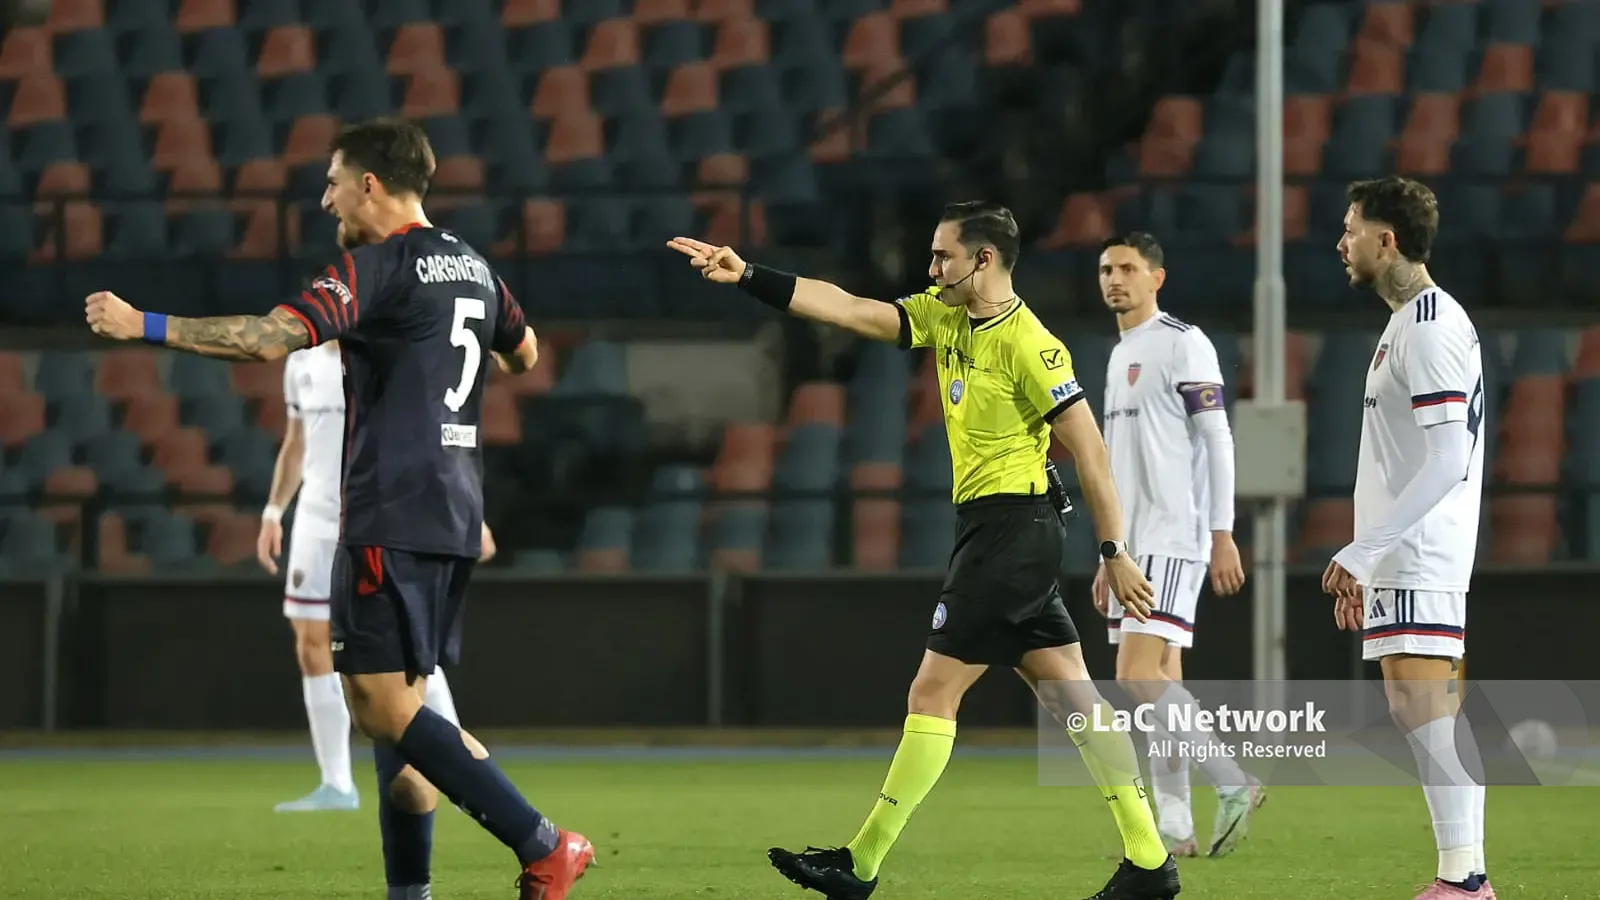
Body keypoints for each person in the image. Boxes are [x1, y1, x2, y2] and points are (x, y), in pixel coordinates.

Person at [86, 117, 594, 900]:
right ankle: (410, 892)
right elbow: (523, 354)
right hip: (453, 510)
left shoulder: (379, 266)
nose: (325, 201)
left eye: (331, 183)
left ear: (369, 184)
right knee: (401, 720)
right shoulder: (473, 265)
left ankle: (544, 842)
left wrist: (142, 324)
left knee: (381, 710)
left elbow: (267, 339)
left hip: (390, 509)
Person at [669, 201, 1179, 900]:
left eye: (943, 256)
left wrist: (1115, 550)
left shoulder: (1032, 345)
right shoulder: (945, 316)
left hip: (1011, 532)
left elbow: (1090, 450)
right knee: (1071, 694)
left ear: (983, 260)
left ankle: (861, 864)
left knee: (933, 692)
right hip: (999, 530)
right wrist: (750, 274)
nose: (931, 268)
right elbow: (850, 309)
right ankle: (1150, 863)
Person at [1323, 176, 1491, 900]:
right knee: (1414, 702)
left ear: (1386, 240)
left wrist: (1366, 551)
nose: (1341, 243)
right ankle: (1463, 875)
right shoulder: (1408, 322)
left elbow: (1449, 457)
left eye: (1351, 229)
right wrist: (1371, 554)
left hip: (1424, 547)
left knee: (1425, 703)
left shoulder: (1428, 325)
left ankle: (1466, 878)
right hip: (1404, 549)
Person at [256, 337, 493, 811]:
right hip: (316, 518)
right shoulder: (300, 361)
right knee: (310, 644)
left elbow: (433, 433)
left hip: (376, 516)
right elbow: (296, 442)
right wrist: (273, 511)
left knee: (408, 649)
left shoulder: (384, 352)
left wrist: (469, 512)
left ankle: (463, 768)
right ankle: (337, 783)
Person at [1093, 233, 1264, 858]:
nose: (1115, 279)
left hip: (1173, 533)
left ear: (1156, 278)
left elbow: (1217, 438)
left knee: (1135, 675)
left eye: (1128, 268)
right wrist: (1109, 552)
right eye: (1106, 269)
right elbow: (1116, 466)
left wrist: (1222, 532)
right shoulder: (1119, 354)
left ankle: (1234, 780)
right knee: (1163, 684)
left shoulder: (1182, 342)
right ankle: (1176, 827)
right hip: (1132, 545)